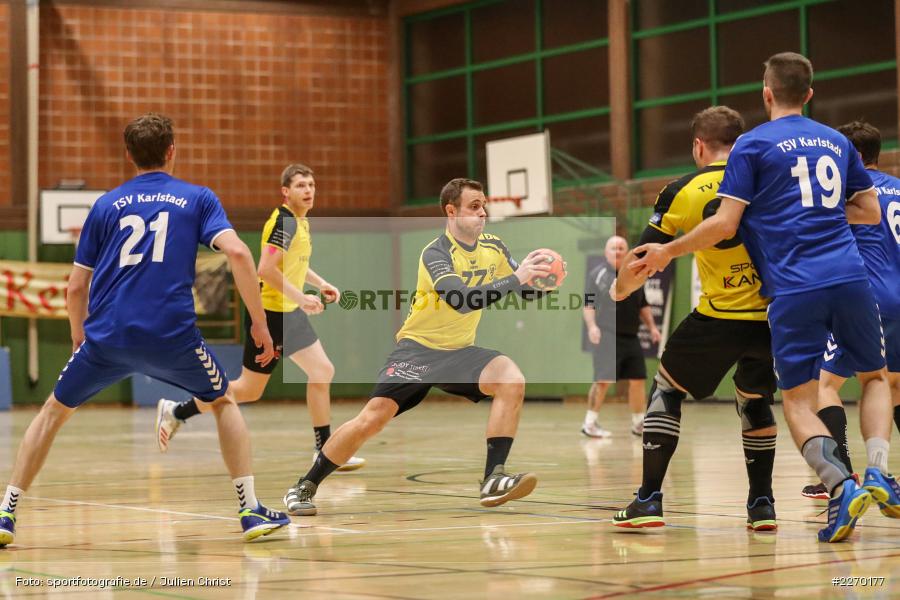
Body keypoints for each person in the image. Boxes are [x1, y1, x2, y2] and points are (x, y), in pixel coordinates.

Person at [630, 52, 895, 543]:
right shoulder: (837, 141)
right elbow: (869, 213)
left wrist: (669, 249)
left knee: (797, 401)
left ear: (767, 93)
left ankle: (840, 484)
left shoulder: (753, 146)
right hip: (851, 276)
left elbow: (725, 224)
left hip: (794, 287)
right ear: (810, 94)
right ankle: (878, 469)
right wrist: (822, 216)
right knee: (875, 377)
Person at [0, 113, 290, 545]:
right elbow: (242, 257)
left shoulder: (104, 206)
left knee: (52, 414)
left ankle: (6, 513)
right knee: (224, 400)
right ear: (171, 151)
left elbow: (76, 285)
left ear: (129, 155)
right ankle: (249, 509)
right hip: (172, 336)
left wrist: (81, 338)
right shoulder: (198, 198)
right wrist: (260, 326)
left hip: (107, 336)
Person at [280, 177, 555, 515]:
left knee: (511, 379)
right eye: (473, 206)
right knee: (372, 419)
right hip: (418, 350)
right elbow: (461, 300)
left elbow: (523, 289)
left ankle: (492, 478)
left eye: (483, 205)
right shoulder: (435, 253)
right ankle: (304, 486)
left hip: (459, 352)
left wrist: (546, 281)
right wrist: (518, 277)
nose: (482, 213)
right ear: (451, 211)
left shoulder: (494, 247)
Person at [608, 106, 779, 531]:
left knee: (667, 387)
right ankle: (761, 505)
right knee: (756, 400)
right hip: (777, 316)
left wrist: (618, 290)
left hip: (720, 315)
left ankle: (648, 499)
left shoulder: (683, 189)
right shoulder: (768, 180)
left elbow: (640, 262)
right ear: (740, 145)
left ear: (698, 146)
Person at [156, 164, 365, 471]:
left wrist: (319, 285)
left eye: (311, 185)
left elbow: (292, 264)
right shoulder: (284, 221)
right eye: (301, 186)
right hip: (270, 315)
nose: (308, 191)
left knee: (322, 371)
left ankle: (324, 449)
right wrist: (302, 298)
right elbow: (265, 269)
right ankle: (178, 411)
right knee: (248, 390)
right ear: (286, 191)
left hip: (288, 313)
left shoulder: (299, 222)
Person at [800, 121, 900, 508]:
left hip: (868, 298)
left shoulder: (852, 193)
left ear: (855, 157)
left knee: (824, 385)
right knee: (891, 386)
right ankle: (882, 472)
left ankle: (841, 474)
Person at [582, 236, 660, 437]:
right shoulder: (596, 275)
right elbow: (588, 304)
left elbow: (643, 305)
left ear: (626, 252)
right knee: (603, 380)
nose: (617, 251)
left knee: (638, 379)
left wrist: (652, 328)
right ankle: (589, 423)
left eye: (621, 248)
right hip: (607, 334)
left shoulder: (635, 274)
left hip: (631, 336)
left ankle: (638, 423)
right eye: (613, 248)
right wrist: (592, 327)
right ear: (606, 252)